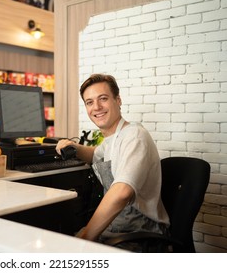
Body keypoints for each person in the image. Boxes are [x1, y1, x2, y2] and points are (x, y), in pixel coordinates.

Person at [56, 74, 170, 251]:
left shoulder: (134, 136)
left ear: (118, 100)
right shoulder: (113, 138)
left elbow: (122, 192)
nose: (97, 107)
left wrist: (86, 237)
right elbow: (95, 154)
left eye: (103, 99)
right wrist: (74, 147)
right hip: (117, 227)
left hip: (140, 234)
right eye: (89, 102)